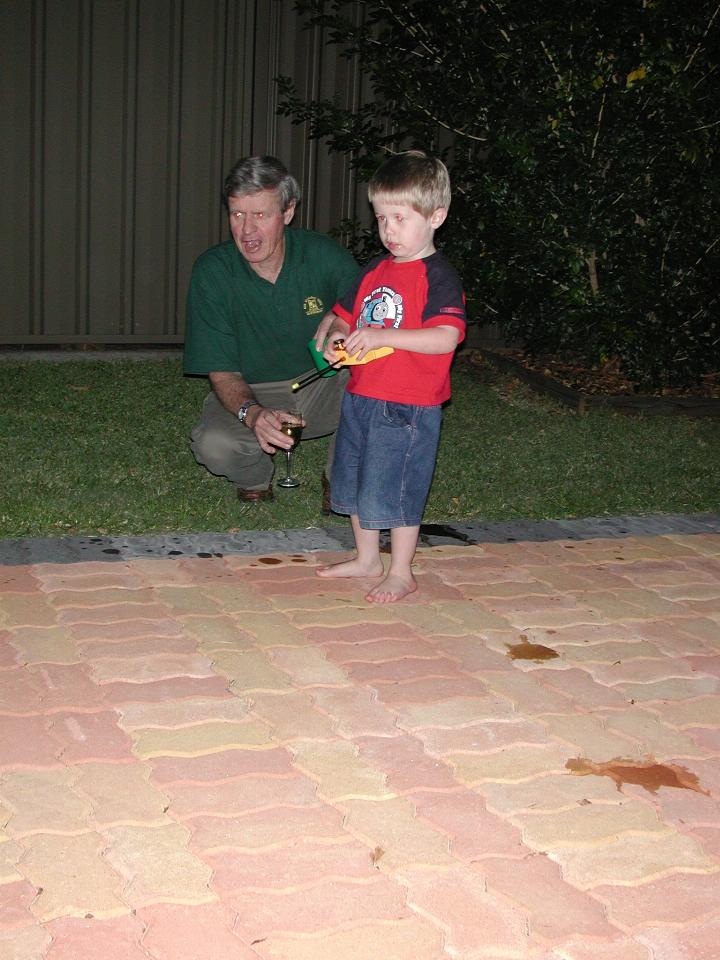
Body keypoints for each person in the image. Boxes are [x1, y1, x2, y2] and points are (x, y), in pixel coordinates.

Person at [316, 150, 466, 602]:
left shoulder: (438, 275)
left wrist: (387, 335)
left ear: (436, 216)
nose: (389, 230)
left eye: (400, 218)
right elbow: (343, 315)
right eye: (382, 218)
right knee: (357, 479)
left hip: (408, 405)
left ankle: (402, 569)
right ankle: (366, 558)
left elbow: (446, 337)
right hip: (362, 396)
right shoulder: (376, 270)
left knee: (397, 486)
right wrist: (335, 337)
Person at [183, 155, 358, 507]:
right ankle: (256, 477)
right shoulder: (213, 272)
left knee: (383, 392)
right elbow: (222, 371)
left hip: (322, 385)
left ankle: (340, 474)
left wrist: (344, 318)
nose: (247, 231)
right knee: (214, 444)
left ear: (288, 212)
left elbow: (372, 302)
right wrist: (254, 414)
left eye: (260, 215)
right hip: (254, 389)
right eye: (237, 214)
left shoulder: (321, 254)